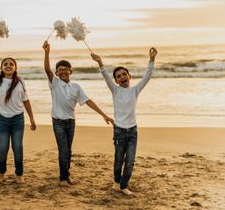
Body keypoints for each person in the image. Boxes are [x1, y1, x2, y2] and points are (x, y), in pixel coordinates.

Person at [42, 41, 114, 186]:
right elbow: (47, 70)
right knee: (63, 151)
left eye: (65, 69)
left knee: (68, 151)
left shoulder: (76, 87)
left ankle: (66, 175)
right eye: (60, 70)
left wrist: (103, 115)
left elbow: (88, 101)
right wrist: (47, 52)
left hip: (71, 122)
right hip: (58, 122)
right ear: (56, 73)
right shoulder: (55, 84)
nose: (62, 71)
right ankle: (63, 178)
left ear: (70, 71)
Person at [91, 47, 158, 196]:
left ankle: (124, 185)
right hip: (119, 131)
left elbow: (147, 76)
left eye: (124, 74)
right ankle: (116, 182)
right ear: (116, 80)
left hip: (133, 131)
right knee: (118, 159)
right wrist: (100, 62)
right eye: (119, 76)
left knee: (130, 162)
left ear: (129, 76)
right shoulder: (115, 90)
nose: (122, 77)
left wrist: (152, 59)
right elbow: (105, 77)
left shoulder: (135, 90)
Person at [0, 39, 36, 184]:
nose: (8, 66)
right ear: (1, 68)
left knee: (18, 147)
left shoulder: (20, 81)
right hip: (2, 119)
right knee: (3, 147)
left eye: (11, 64)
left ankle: (19, 175)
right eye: (5, 64)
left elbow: (26, 100)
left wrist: (32, 118)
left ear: (15, 67)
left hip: (18, 119)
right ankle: (1, 174)